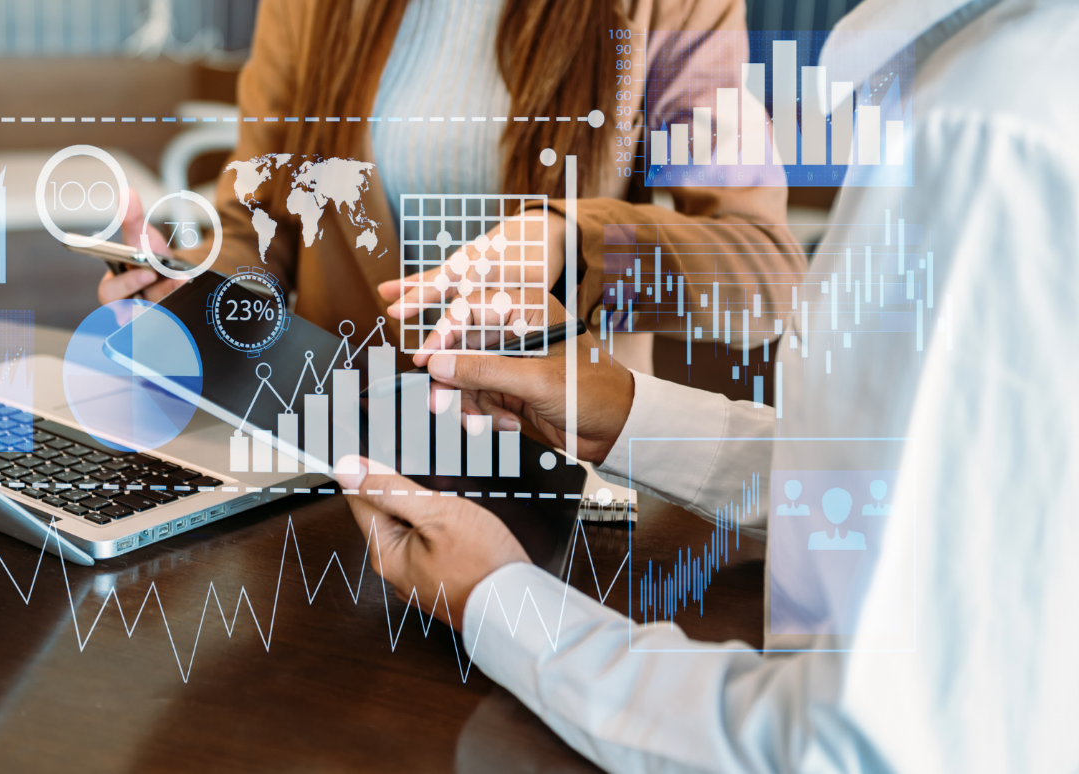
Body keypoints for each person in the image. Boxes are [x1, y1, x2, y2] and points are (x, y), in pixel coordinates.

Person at [334, 0, 1079, 769]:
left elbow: (853, 744)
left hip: (530, 530)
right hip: (365, 475)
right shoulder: (987, 96)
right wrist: (631, 414)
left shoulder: (989, 132)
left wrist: (502, 603)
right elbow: (919, 485)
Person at [99, 0, 804, 378]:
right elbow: (260, 219)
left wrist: (574, 247)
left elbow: (766, 271)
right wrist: (194, 290)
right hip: (338, 450)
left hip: (554, 469)